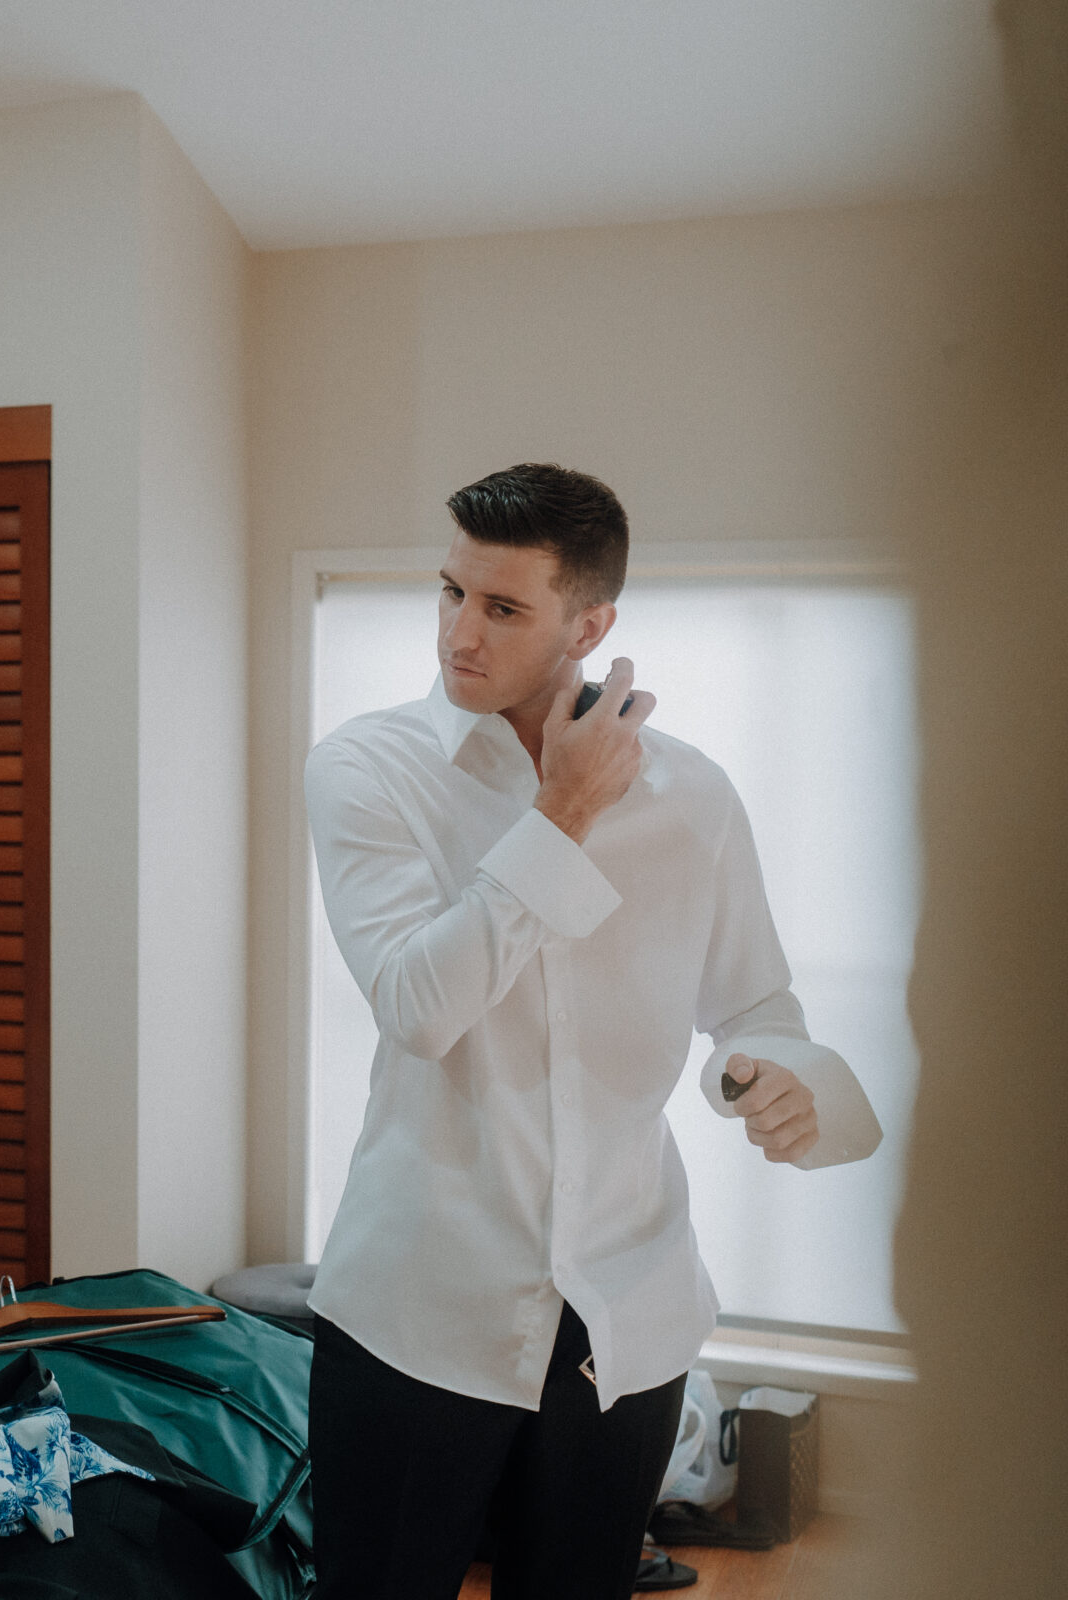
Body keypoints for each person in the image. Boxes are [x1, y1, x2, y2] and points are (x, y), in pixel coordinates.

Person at [301, 463, 882, 1598]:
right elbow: (419, 1009)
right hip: (419, 1310)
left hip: (628, 1318)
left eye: (503, 607)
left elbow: (757, 1002)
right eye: (450, 591)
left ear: (593, 623)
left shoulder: (696, 799)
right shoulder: (369, 770)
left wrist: (773, 1069)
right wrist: (561, 811)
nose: (458, 635)